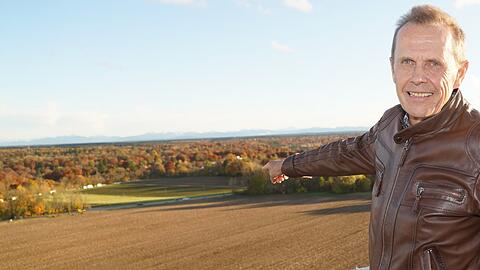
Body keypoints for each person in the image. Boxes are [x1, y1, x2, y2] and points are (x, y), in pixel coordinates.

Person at [262, 5, 479, 270]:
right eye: (407, 62)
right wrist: (288, 165)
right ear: (392, 68)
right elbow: (346, 153)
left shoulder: (475, 144)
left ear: (460, 73)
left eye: (434, 63)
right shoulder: (391, 126)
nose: (418, 77)